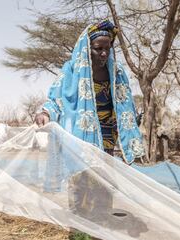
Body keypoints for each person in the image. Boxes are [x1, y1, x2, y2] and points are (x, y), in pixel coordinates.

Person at [35, 20, 144, 163]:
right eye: (98, 49)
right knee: (81, 172)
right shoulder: (72, 70)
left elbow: (126, 104)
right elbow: (57, 99)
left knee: (104, 172)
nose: (104, 53)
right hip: (80, 131)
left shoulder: (117, 72)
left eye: (107, 48)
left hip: (108, 133)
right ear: (87, 48)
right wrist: (45, 113)